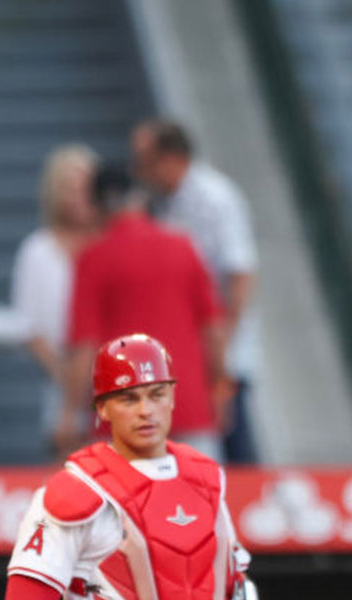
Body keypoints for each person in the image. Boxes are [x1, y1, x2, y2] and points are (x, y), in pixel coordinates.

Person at [6, 334, 256, 600]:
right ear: (102, 408)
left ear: (171, 396)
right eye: (129, 399)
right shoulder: (73, 491)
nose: (145, 410)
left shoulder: (206, 478)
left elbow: (235, 582)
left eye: (156, 394)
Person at [58, 167, 227, 461]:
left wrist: (70, 412)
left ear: (97, 208)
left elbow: (85, 346)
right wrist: (221, 388)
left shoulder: (94, 258)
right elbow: (213, 329)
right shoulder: (183, 247)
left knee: (127, 504)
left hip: (123, 413)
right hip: (186, 403)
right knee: (198, 502)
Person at [131, 119, 259, 464]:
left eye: (145, 161)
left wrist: (222, 348)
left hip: (217, 348)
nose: (140, 172)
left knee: (233, 447)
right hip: (189, 348)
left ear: (170, 158)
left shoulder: (215, 198)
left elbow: (240, 274)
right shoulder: (164, 205)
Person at [10, 143, 100, 452]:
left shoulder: (110, 245)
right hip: (61, 376)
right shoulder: (37, 250)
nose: (78, 198)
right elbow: (29, 327)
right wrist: (69, 379)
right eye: (69, 188)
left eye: (85, 188)